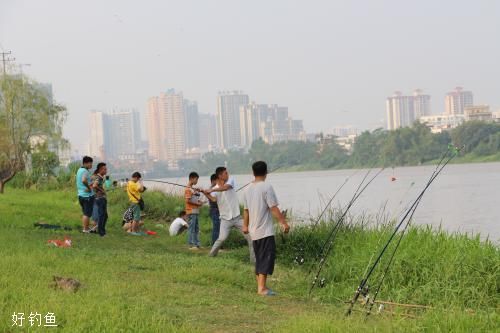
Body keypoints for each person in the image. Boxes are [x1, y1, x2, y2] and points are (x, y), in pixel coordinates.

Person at [242, 161, 290, 296]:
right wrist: (284, 223)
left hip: (253, 231)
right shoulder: (267, 187)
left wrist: (245, 225)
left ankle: (261, 286)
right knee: (266, 258)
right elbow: (273, 207)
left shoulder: (247, 189)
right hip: (265, 231)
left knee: (259, 258)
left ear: (253, 172)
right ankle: (262, 289)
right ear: (266, 172)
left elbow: (246, 210)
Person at [203, 167, 255, 262]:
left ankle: (253, 260)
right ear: (220, 176)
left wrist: (211, 190)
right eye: (225, 173)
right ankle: (211, 256)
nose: (228, 175)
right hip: (225, 219)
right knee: (221, 238)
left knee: (250, 237)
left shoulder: (231, 180)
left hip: (237, 218)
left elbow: (226, 188)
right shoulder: (214, 189)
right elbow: (214, 199)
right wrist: (204, 193)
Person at [76, 156, 95, 233]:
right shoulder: (85, 171)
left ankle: (86, 227)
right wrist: (89, 188)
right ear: (85, 163)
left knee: (85, 213)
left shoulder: (80, 170)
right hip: (87, 196)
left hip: (81, 195)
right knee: (87, 214)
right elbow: (84, 180)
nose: (91, 165)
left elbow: (83, 180)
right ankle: (85, 229)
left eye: (91, 163)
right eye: (90, 163)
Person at [185, 172, 203, 249]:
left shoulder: (192, 189)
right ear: (192, 178)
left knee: (196, 228)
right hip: (191, 211)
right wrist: (198, 204)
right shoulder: (188, 189)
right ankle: (191, 244)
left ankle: (197, 244)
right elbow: (188, 201)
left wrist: (199, 201)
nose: (197, 181)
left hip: (195, 211)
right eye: (196, 179)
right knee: (191, 228)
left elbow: (194, 197)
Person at [91, 162, 108, 237]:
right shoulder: (99, 177)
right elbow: (95, 185)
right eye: (105, 169)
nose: (106, 170)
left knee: (105, 216)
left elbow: (92, 185)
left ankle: (101, 230)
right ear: (100, 169)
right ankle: (101, 233)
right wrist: (102, 191)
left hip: (97, 198)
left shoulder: (95, 176)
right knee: (102, 216)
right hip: (100, 198)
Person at [208, 174, 221, 245]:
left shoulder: (214, 189)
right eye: (217, 180)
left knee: (217, 228)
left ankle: (217, 245)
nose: (218, 182)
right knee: (216, 228)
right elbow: (214, 201)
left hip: (215, 211)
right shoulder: (212, 190)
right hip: (215, 211)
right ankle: (215, 244)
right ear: (213, 181)